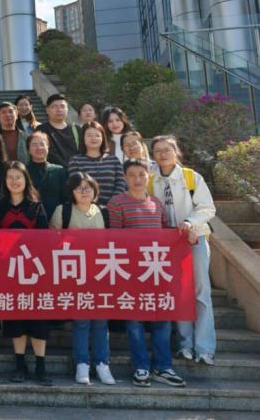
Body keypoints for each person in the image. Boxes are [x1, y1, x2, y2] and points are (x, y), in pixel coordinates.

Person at [106, 159, 185, 388]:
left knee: (163, 320)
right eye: (132, 175)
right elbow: (115, 239)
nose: (137, 179)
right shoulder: (116, 203)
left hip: (157, 271)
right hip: (131, 272)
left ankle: (163, 367)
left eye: (141, 174)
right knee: (134, 322)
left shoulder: (156, 203)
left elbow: (166, 235)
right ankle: (141, 367)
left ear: (148, 176)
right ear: (125, 178)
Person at [149, 135, 217, 366]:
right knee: (178, 293)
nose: (163, 154)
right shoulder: (151, 180)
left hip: (194, 239)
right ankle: (185, 344)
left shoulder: (190, 176)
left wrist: (190, 222)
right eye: (158, 151)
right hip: (167, 244)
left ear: (176, 151)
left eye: (167, 150)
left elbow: (207, 208)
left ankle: (205, 348)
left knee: (200, 292)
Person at [0, 161, 51, 386]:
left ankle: (41, 366)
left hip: (34, 271)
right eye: (10, 177)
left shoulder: (36, 207)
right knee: (15, 318)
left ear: (26, 180)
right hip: (9, 271)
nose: (14, 181)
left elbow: (44, 240)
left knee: (38, 319)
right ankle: (20, 364)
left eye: (18, 177)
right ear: (5, 181)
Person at [49, 172, 115, 386]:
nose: (84, 191)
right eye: (79, 188)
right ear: (72, 192)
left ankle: (102, 364)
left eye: (88, 187)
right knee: (82, 320)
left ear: (95, 190)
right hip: (75, 275)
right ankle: (82, 363)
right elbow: (50, 240)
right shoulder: (63, 211)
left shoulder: (104, 212)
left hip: (101, 273)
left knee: (101, 320)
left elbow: (113, 242)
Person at [68, 121, 126, 206]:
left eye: (97, 135)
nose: (93, 138)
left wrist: (112, 203)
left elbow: (121, 184)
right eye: (89, 135)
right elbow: (76, 186)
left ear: (102, 138)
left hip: (112, 207)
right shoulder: (75, 160)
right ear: (83, 138)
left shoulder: (113, 160)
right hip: (86, 208)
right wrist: (92, 206)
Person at [25, 131, 68, 222]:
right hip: (29, 220)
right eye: (34, 145)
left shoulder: (59, 171)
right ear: (28, 149)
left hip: (55, 220)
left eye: (42, 144)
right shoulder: (23, 171)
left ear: (48, 147)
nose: (39, 148)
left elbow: (66, 199)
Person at [36, 93, 80, 168]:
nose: (59, 110)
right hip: (54, 171)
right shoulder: (41, 130)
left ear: (67, 109)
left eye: (62, 106)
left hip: (75, 171)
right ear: (47, 110)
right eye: (54, 107)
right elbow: (48, 154)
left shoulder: (76, 129)